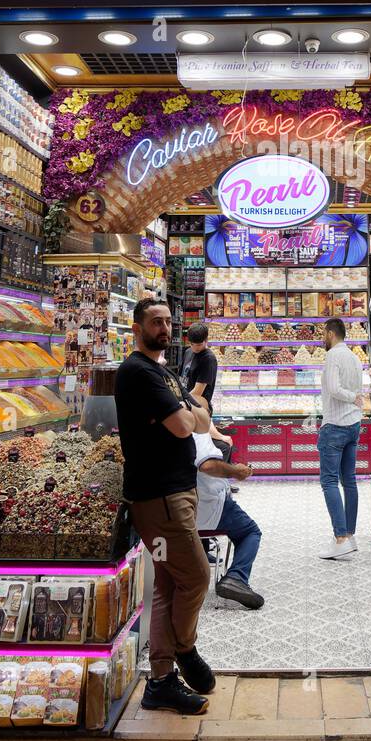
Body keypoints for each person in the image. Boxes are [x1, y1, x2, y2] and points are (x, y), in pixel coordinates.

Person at [114, 299, 215, 715]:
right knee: (196, 575)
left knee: (169, 586)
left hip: (175, 494)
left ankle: (160, 680)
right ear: (136, 328)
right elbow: (183, 424)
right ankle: (184, 650)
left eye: (169, 321)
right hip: (161, 501)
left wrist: (187, 414)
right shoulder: (138, 371)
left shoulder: (164, 371)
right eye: (156, 322)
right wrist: (186, 414)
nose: (165, 328)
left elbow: (201, 421)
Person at [193, 431, 265, 609]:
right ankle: (236, 578)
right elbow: (208, 465)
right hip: (207, 505)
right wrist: (235, 471)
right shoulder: (197, 430)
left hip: (175, 508)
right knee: (251, 532)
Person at [317, 316, 364, 560]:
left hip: (335, 425)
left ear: (330, 333)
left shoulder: (334, 355)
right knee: (350, 481)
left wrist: (350, 396)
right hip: (353, 425)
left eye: (323, 333)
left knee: (329, 482)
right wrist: (355, 399)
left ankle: (341, 538)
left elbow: (335, 389)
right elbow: (360, 388)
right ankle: (351, 534)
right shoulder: (355, 357)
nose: (322, 338)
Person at [179, 321, 219, 410]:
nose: (195, 348)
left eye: (199, 345)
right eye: (192, 344)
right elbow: (181, 378)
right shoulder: (188, 352)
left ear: (206, 340)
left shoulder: (208, 359)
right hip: (185, 404)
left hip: (198, 409)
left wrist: (179, 405)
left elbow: (197, 392)